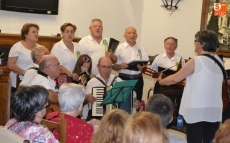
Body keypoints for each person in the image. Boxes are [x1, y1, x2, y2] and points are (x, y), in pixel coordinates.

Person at [158, 29, 223, 143]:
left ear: (202, 43)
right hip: (214, 111)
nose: (194, 43)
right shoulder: (219, 61)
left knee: (194, 140)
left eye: (196, 40)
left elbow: (174, 78)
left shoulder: (196, 61)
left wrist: (161, 81)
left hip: (197, 111)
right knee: (209, 140)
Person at [151, 37, 185, 123]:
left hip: (175, 85)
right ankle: (158, 120)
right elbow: (153, 72)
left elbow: (183, 74)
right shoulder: (159, 58)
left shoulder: (180, 58)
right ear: (164, 45)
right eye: (168, 44)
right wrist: (158, 76)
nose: (170, 46)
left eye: (172, 44)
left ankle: (174, 120)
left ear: (176, 46)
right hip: (161, 84)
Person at [113, 26, 149, 103]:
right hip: (123, 78)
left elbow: (146, 65)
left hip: (138, 79)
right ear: (125, 36)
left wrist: (143, 68)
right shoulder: (119, 48)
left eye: (134, 33)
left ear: (137, 35)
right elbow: (113, 66)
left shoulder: (142, 48)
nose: (132, 35)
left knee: (137, 104)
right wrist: (120, 66)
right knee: (122, 103)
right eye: (129, 33)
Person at [83, 56, 122, 121]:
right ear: (98, 67)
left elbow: (127, 98)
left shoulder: (118, 81)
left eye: (109, 67)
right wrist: (87, 97)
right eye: (103, 67)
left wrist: (135, 103)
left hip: (115, 117)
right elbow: (84, 102)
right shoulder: (92, 82)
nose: (106, 70)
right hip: (97, 117)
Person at [7, 23, 40, 93]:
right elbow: (10, 65)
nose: (36, 34)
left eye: (37, 32)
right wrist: (26, 73)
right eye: (33, 32)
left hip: (35, 82)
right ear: (25, 35)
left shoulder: (40, 48)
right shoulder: (17, 47)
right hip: (18, 82)